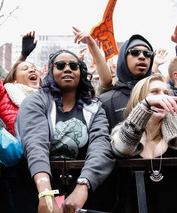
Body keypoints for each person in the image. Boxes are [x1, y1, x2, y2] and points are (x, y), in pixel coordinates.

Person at [15, 28, 115, 212]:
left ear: (80, 72)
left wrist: (83, 186)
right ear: (51, 72)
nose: (67, 68)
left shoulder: (94, 107)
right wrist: (45, 193)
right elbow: (35, 143)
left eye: (73, 66)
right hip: (34, 192)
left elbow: (101, 145)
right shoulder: (34, 102)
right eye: (60, 66)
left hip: (83, 196)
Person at [110, 73, 177, 212]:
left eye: (166, 93)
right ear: (140, 98)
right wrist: (145, 107)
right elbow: (122, 148)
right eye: (155, 92)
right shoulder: (122, 129)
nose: (162, 97)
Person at [0, 0, 40, 135]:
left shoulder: (50, 97)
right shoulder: (2, 96)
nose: (32, 70)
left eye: (34, 68)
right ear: (14, 80)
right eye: (25, 69)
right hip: (12, 155)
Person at [98, 34, 154, 132]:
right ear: (123, 58)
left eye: (147, 54)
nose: (142, 57)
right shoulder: (105, 101)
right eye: (135, 52)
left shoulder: (166, 95)